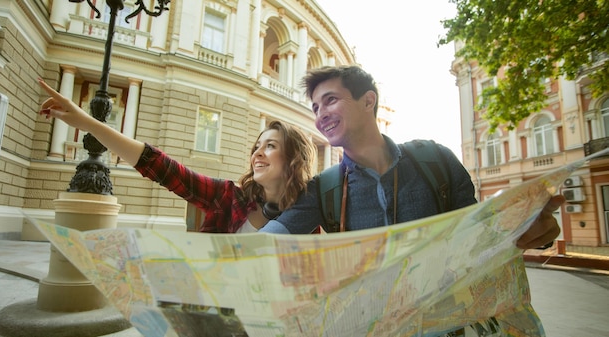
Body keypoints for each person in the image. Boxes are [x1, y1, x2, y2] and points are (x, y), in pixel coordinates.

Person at [260, 65, 563, 249]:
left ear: (368, 101)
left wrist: (526, 228)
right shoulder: (322, 190)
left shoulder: (436, 161)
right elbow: (265, 242)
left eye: (330, 101)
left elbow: (479, 234)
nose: (321, 115)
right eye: (315, 108)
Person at [37, 79, 317, 233]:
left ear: (293, 159)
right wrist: (88, 123)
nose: (257, 152)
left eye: (270, 146)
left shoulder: (308, 219)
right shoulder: (228, 198)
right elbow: (159, 165)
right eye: (256, 146)